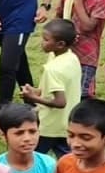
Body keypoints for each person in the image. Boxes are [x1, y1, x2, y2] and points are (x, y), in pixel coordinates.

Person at [19, 19, 82, 156]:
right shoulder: (71, 58)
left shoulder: (53, 69)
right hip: (66, 122)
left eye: (46, 40)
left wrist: (32, 97)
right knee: (69, 158)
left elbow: (60, 102)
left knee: (30, 157)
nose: (42, 42)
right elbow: (59, 88)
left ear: (60, 44)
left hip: (49, 125)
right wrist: (37, 91)